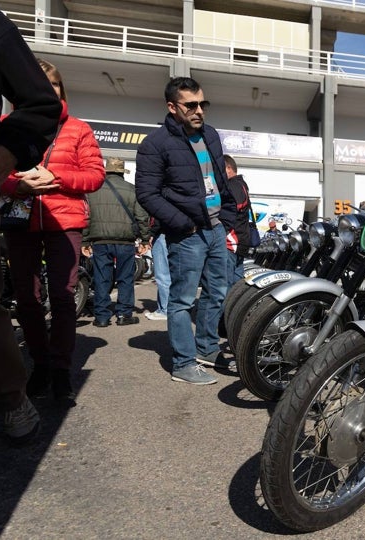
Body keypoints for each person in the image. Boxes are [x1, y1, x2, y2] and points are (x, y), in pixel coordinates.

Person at [0, 0, 61, 442]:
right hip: (17, 213)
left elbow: (41, 107)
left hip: (57, 224)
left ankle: (12, 395)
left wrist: (2, 162)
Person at [1, 58, 105, 407]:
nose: (48, 92)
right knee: (27, 299)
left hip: (65, 221)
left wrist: (56, 179)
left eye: (54, 85)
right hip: (19, 220)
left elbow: (94, 176)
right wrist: (17, 185)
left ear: (62, 90)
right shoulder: (6, 126)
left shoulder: (78, 129)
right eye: (38, 85)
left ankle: (60, 369)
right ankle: (40, 365)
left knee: (63, 298)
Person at [135, 76, 236, 385]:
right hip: (187, 233)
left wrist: (227, 217)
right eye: (190, 105)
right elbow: (147, 193)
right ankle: (182, 363)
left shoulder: (211, 136)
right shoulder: (156, 144)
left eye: (202, 103)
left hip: (217, 227)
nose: (198, 110)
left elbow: (219, 179)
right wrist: (183, 224)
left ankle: (206, 349)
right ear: (172, 106)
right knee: (181, 300)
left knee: (217, 293)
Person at [82, 157, 150, 327]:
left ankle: (102, 317)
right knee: (125, 278)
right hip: (125, 241)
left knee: (101, 277)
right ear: (121, 172)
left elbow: (86, 217)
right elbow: (142, 217)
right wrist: (145, 239)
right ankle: (124, 314)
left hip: (100, 240)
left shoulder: (93, 190)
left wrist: (85, 241)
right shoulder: (132, 190)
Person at [223, 155, 254, 286]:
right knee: (235, 284)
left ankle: (225, 307)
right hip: (240, 240)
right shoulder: (241, 185)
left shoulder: (233, 185)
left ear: (228, 168)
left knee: (225, 284)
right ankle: (233, 306)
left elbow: (234, 208)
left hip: (232, 240)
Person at [144, 217, 170, 321]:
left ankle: (165, 310)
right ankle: (163, 308)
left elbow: (158, 218)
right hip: (175, 234)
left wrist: (151, 233)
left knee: (162, 275)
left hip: (162, 234)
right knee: (170, 274)